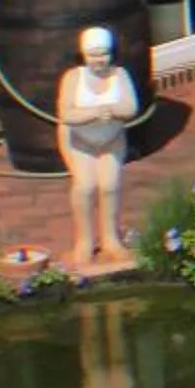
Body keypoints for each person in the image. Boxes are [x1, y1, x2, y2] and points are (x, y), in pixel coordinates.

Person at [57, 25, 138, 272]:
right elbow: (66, 113)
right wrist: (93, 113)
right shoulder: (74, 78)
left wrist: (112, 110)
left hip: (111, 140)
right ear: (84, 55)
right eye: (93, 55)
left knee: (110, 186)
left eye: (104, 54)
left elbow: (131, 107)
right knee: (86, 186)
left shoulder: (119, 74)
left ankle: (110, 239)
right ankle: (84, 240)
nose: (99, 60)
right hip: (80, 141)